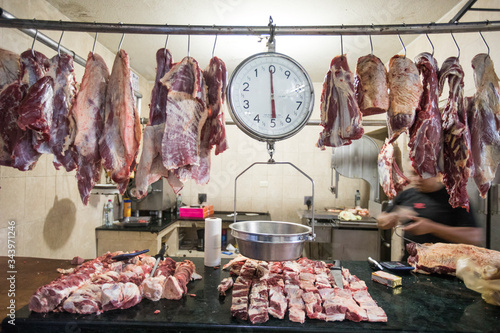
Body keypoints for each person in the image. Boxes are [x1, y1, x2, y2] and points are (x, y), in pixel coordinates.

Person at [377, 170, 483, 261]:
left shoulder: (455, 199)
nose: (417, 178)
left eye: (422, 174)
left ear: (437, 174)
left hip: (444, 267)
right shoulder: (407, 195)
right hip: (409, 265)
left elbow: (474, 237)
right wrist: (393, 216)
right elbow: (381, 220)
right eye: (414, 174)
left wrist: (432, 228)